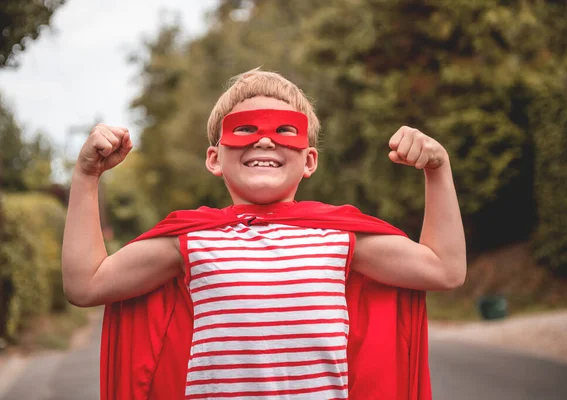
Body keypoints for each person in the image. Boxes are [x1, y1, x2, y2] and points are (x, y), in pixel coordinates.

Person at [62, 69, 466, 400]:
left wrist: (438, 169)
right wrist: (86, 175)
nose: (266, 138)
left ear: (309, 160)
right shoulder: (189, 241)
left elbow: (444, 269)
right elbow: (87, 284)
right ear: (214, 158)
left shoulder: (340, 238)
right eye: (245, 129)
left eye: (286, 130)